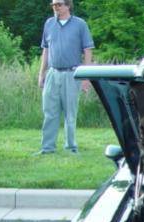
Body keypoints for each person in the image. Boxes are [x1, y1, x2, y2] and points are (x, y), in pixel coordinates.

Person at [37, 0, 94, 155]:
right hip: (52, 73)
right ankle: (47, 148)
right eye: (53, 5)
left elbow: (88, 50)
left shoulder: (80, 24)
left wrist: (86, 77)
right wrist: (42, 73)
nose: (55, 7)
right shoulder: (49, 24)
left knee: (70, 112)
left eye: (59, 4)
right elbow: (45, 51)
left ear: (68, 6)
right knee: (49, 112)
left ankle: (71, 147)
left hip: (72, 74)